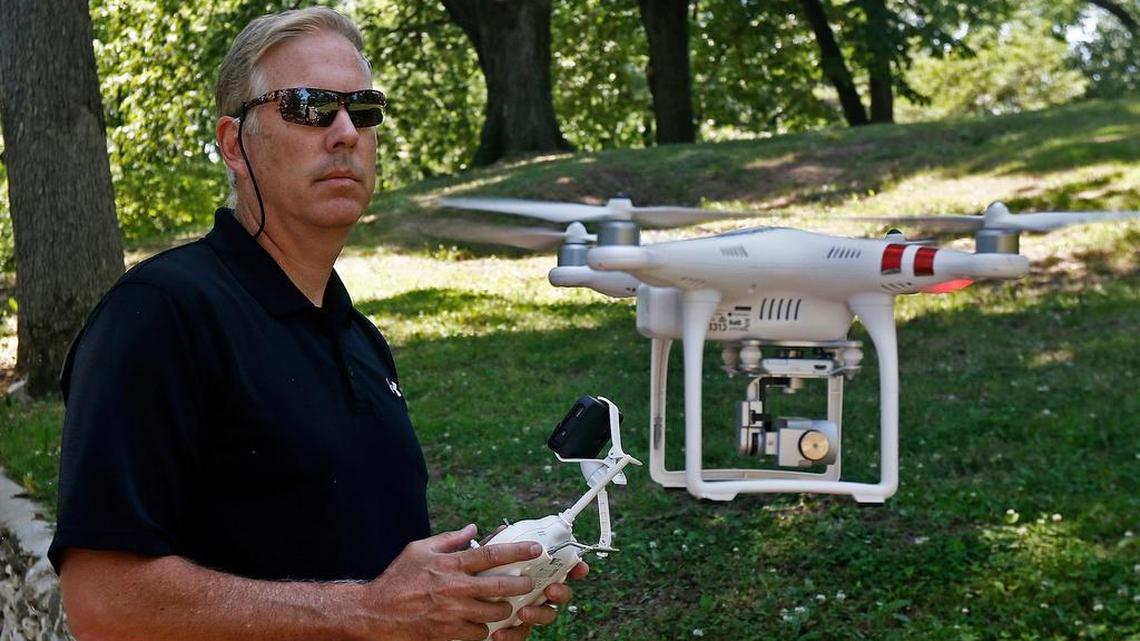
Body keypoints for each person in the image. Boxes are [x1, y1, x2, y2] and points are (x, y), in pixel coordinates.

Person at [48, 8, 585, 641]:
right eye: (308, 106)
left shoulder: (361, 341)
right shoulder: (160, 313)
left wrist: (465, 606)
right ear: (233, 143)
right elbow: (102, 602)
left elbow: (372, 583)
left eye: (363, 110)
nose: (344, 132)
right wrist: (372, 612)